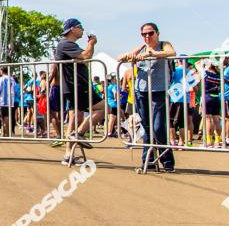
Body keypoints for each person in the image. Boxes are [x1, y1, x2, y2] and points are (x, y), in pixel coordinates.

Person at [118, 22, 176, 171]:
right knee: (146, 128)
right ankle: (148, 161)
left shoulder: (164, 44)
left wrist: (152, 54)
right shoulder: (141, 47)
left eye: (150, 33)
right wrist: (128, 56)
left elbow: (171, 53)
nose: (147, 36)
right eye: (144, 34)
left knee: (158, 128)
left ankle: (167, 162)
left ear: (157, 33)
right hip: (141, 92)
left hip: (160, 92)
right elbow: (120, 58)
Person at [55, 18, 105, 165]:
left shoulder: (68, 45)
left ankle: (68, 154)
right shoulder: (65, 44)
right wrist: (91, 43)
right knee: (103, 108)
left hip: (74, 86)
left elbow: (84, 59)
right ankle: (79, 134)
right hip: (77, 86)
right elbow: (86, 56)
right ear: (72, 29)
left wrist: (90, 46)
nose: (83, 30)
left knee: (74, 118)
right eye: (80, 27)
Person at [201, 62, 222, 148]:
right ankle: (218, 141)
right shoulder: (218, 74)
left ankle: (209, 142)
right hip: (216, 97)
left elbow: (197, 64)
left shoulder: (205, 73)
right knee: (217, 120)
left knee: (208, 120)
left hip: (207, 97)